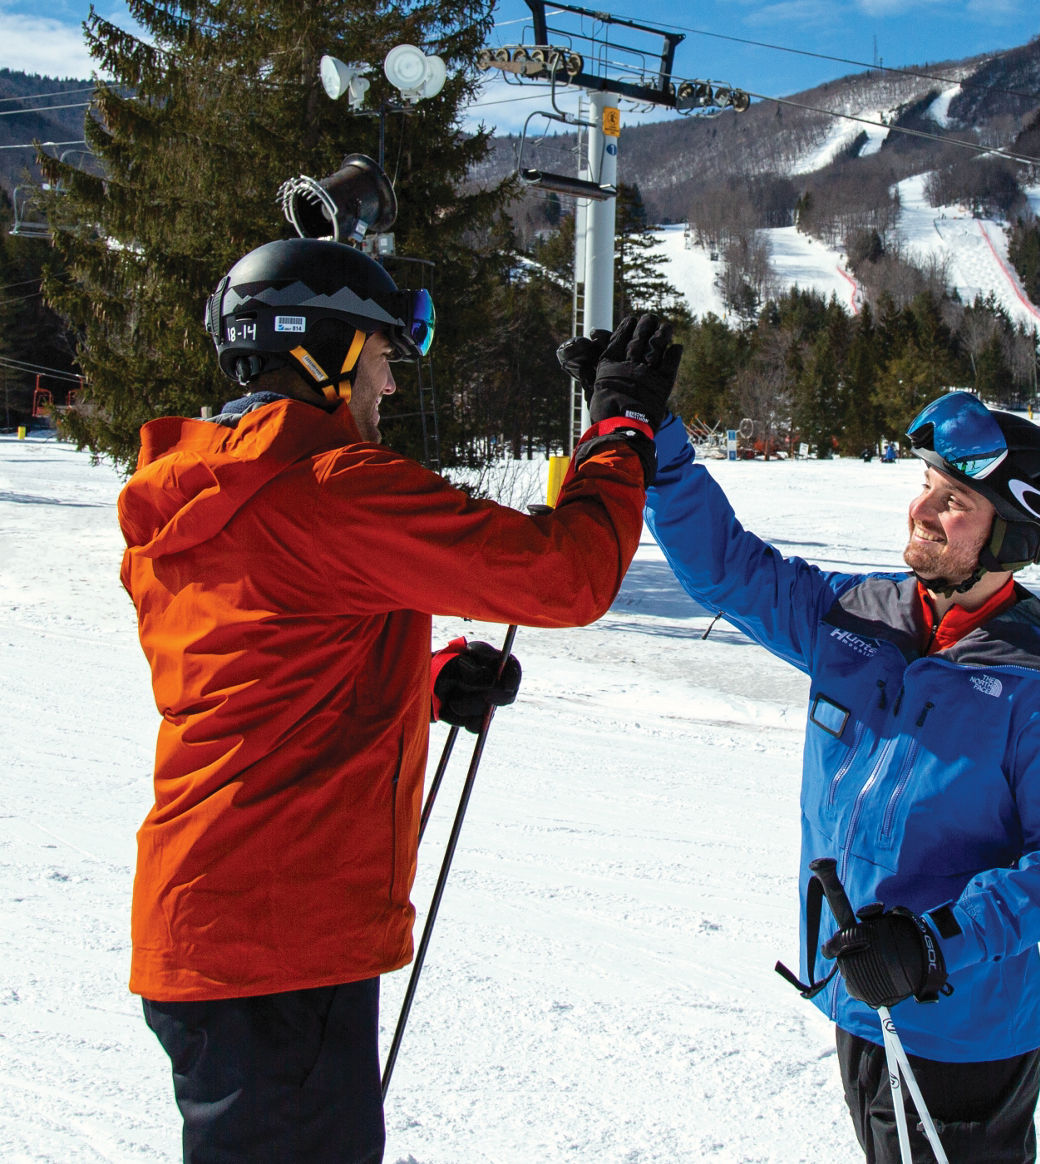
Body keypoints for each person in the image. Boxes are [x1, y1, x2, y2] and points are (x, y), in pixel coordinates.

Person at [118, 241, 681, 1164]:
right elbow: (567, 576)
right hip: (278, 940)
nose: (388, 384)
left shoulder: (205, 492)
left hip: (222, 927)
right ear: (324, 354)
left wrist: (420, 681)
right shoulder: (331, 489)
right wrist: (619, 434)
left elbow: (255, 672)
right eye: (382, 355)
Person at [606, 381, 1040, 1163]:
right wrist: (658, 440)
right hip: (859, 1004)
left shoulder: (1038, 691)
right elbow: (728, 569)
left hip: (962, 1037)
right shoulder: (857, 618)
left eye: (954, 501)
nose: (922, 510)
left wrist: (933, 943)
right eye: (925, 486)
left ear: (1012, 534)